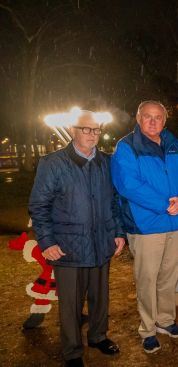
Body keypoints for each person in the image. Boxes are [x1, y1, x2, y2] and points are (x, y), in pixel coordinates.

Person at [29, 111, 125, 367]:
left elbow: (113, 202)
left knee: (100, 296)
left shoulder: (106, 162)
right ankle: (72, 351)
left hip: (100, 242)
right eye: (86, 129)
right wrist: (47, 242)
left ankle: (98, 336)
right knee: (70, 304)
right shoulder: (53, 163)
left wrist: (118, 233)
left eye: (96, 129)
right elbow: (39, 206)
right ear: (73, 130)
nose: (93, 134)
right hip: (68, 247)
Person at [111, 100, 178, 353]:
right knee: (147, 279)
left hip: (174, 221)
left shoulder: (173, 143)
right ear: (138, 118)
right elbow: (127, 184)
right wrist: (163, 203)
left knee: (169, 276)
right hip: (146, 224)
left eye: (158, 117)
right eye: (147, 116)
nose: (152, 121)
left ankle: (165, 320)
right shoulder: (126, 147)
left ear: (165, 120)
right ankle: (147, 329)